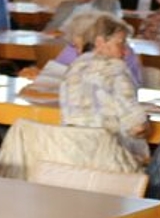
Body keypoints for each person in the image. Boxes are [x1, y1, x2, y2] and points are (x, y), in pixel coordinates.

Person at [59, 14, 148, 161]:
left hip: (73, 160)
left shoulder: (71, 70)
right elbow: (137, 128)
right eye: (120, 44)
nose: (125, 51)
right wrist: (146, 124)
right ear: (100, 42)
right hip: (111, 162)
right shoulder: (116, 70)